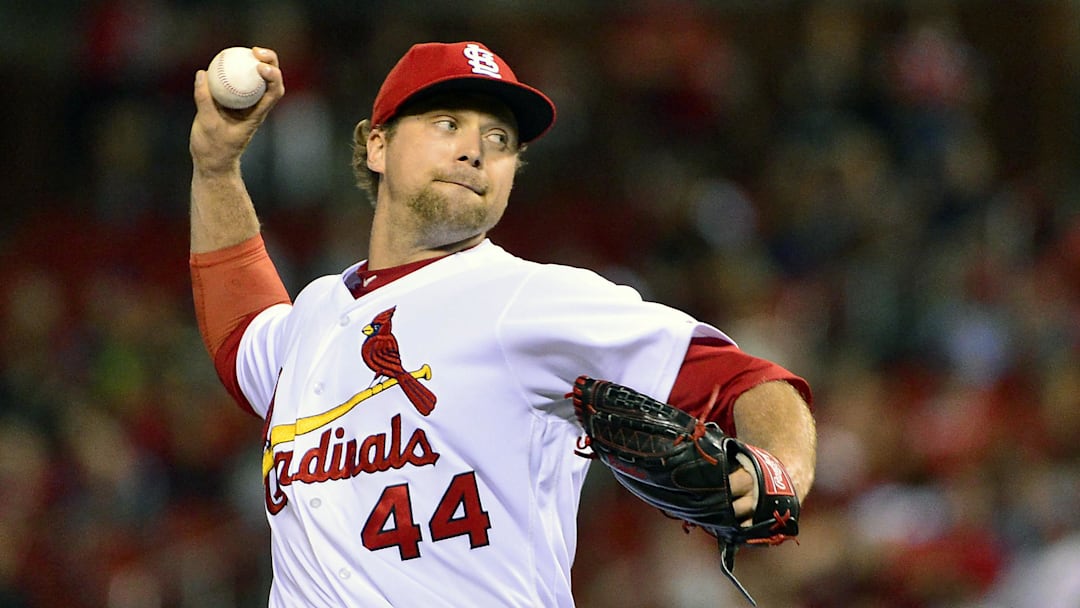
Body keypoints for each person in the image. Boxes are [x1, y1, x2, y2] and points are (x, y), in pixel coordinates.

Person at [189, 41, 816, 607]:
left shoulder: (534, 299)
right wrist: (216, 169)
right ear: (376, 145)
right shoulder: (317, 314)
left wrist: (780, 466)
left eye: (499, 140)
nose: (473, 149)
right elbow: (242, 333)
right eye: (447, 124)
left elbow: (749, 382)